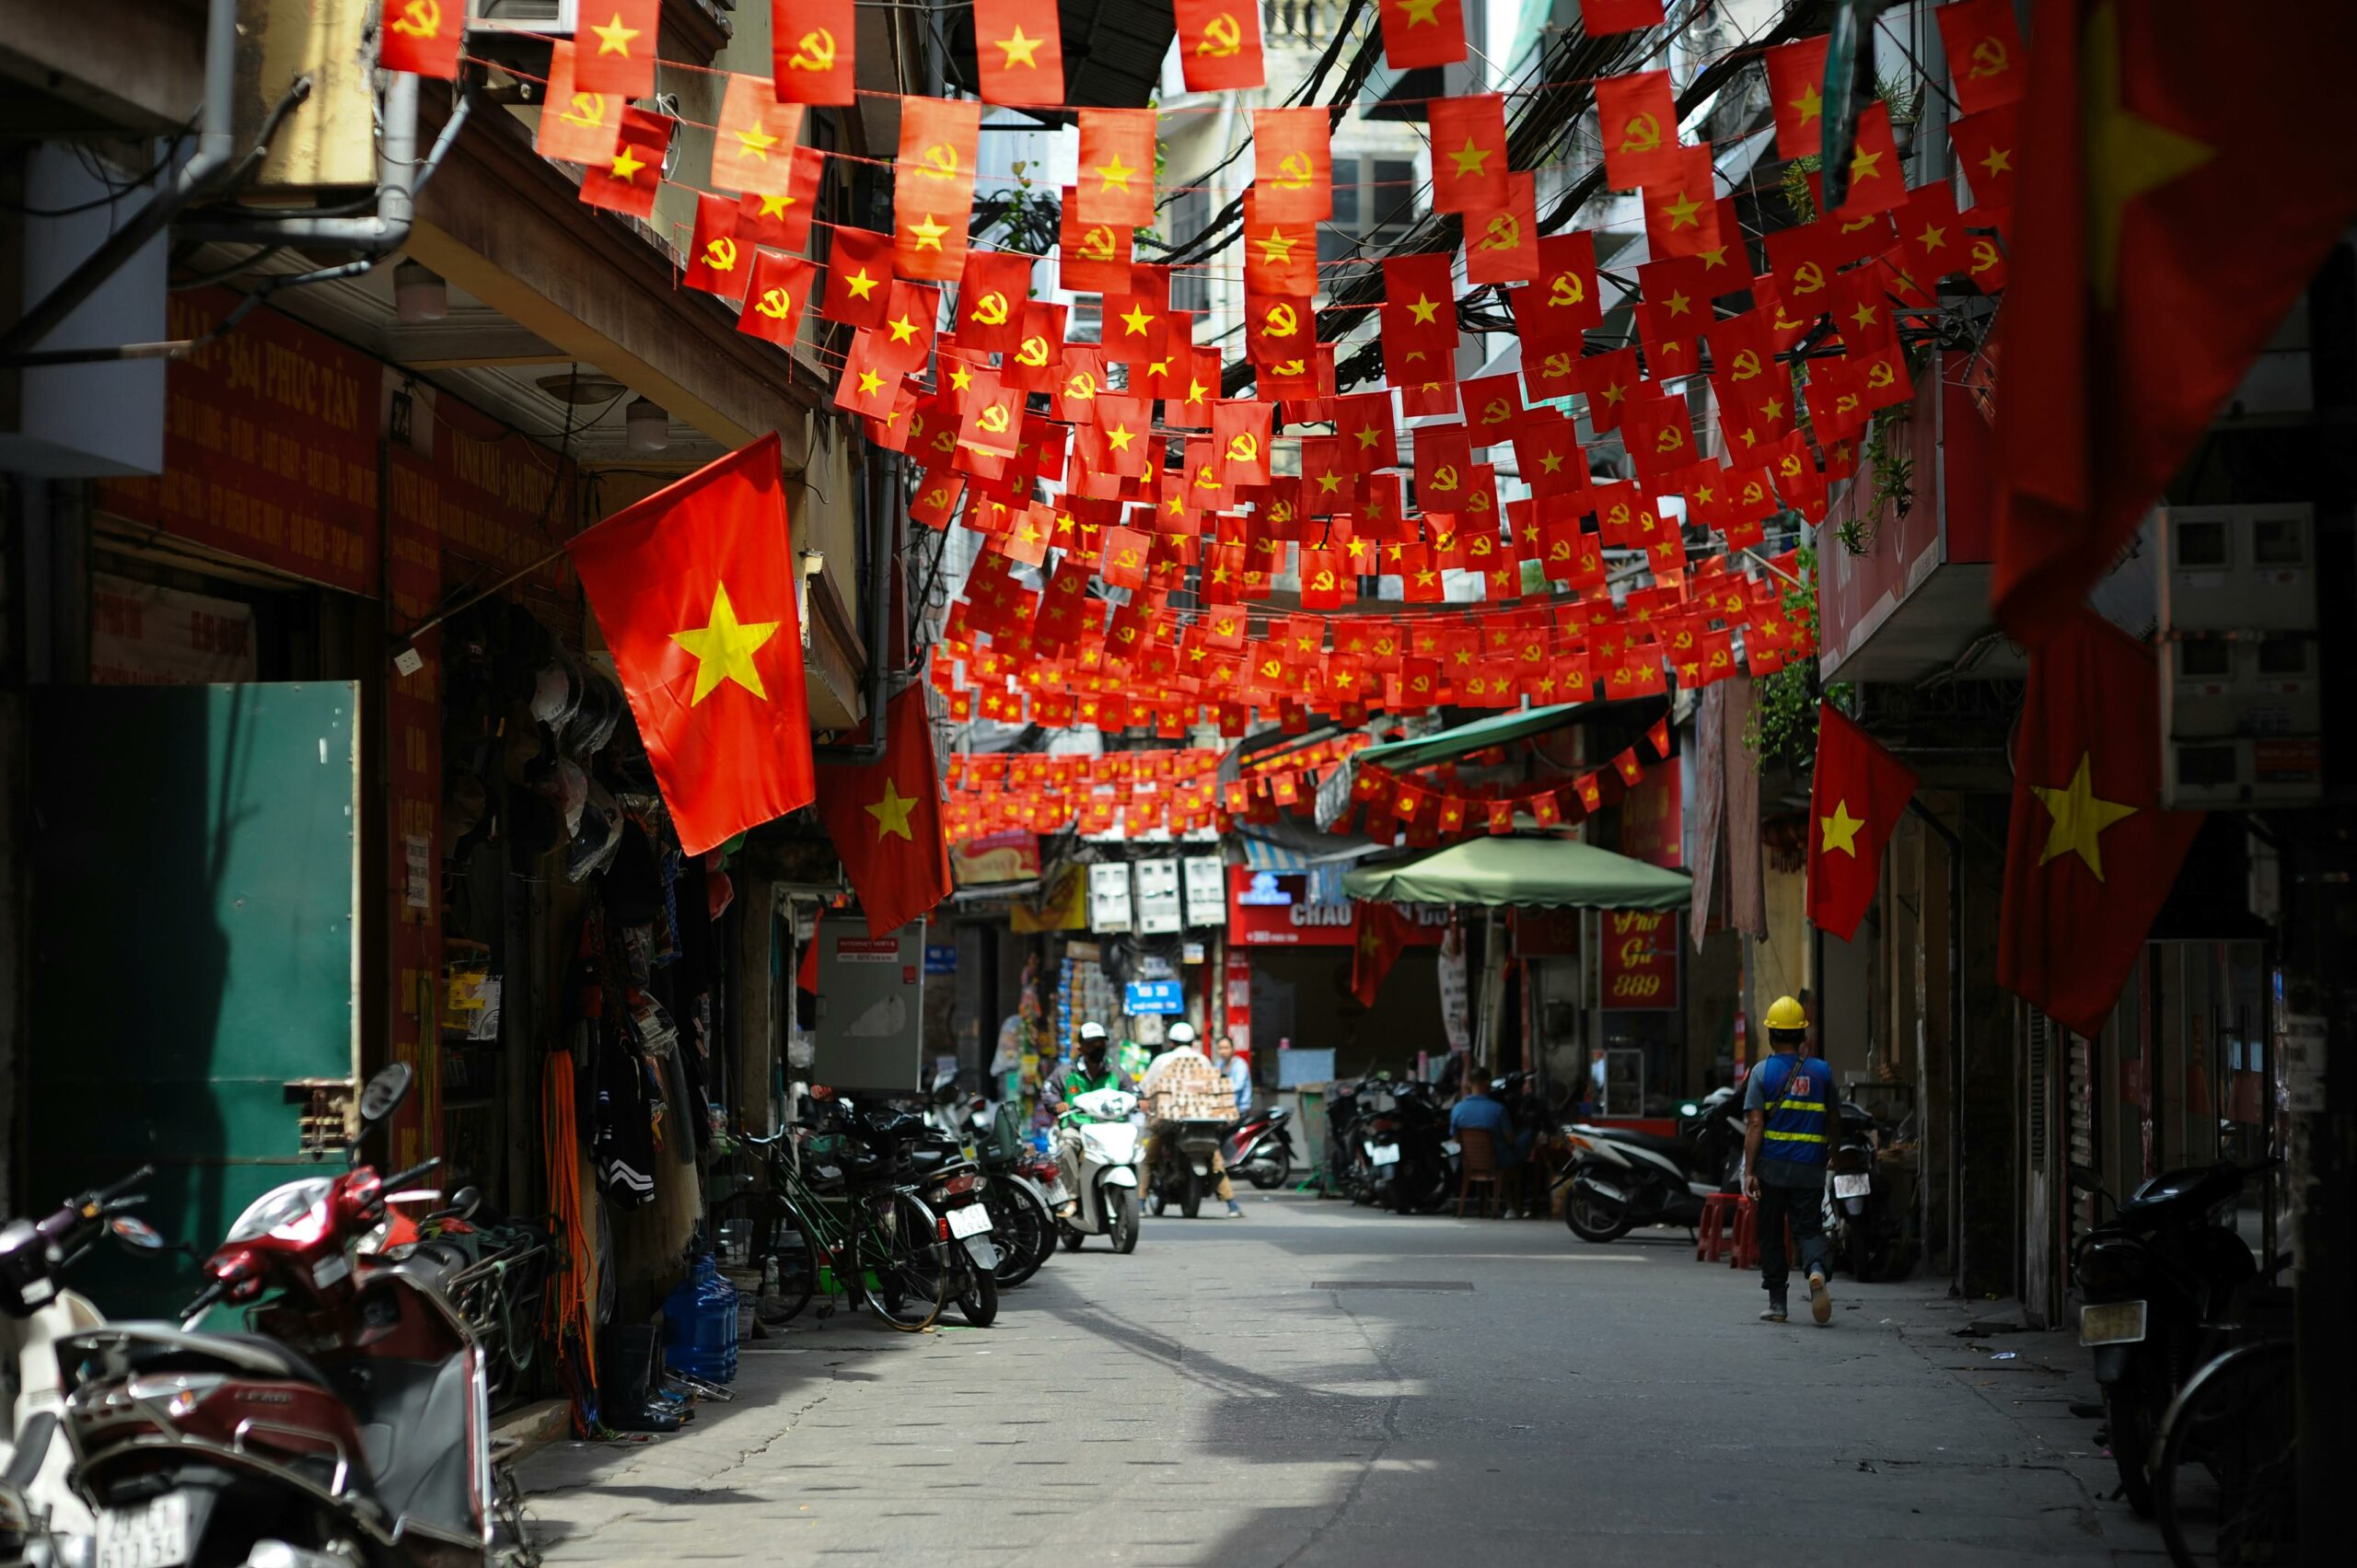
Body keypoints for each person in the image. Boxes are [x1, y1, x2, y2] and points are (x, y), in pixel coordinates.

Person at [1743, 995, 1836, 1325]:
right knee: (1809, 1230)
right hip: (1810, 1167)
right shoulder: (1822, 1072)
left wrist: (1750, 1170)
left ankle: (1778, 1305)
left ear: (1771, 1035)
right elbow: (1834, 1119)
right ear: (1802, 1036)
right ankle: (1815, 1270)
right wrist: (1833, 1155)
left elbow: (1755, 1124)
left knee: (1770, 1233)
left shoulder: (1761, 1072)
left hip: (1771, 1169)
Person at [1138, 1022, 1245, 1217]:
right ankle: (1232, 1204)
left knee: (1149, 1159)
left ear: (1171, 1042)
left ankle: (1140, 1203)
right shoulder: (1203, 1059)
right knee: (1215, 1158)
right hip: (1201, 1119)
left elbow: (1147, 1086)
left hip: (1170, 1119)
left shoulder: (1162, 1060)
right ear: (1191, 1042)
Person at [1045, 1022, 1130, 1216]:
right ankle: (1071, 1197)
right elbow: (1049, 1092)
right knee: (1066, 1145)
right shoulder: (1066, 1073)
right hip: (1077, 1127)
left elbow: (1132, 1090)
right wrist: (1057, 1104)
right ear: (1080, 1047)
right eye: (1092, 1044)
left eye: (1101, 1043)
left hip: (1110, 1128)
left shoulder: (1115, 1072)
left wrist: (1140, 1100)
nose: (1097, 1048)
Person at [1213, 1033, 1252, 1115]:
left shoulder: (1240, 1065)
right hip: (1224, 1109)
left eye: (1226, 1048)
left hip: (1241, 1110)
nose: (1223, 1051)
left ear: (1233, 1049)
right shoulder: (1219, 1064)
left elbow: (1239, 1086)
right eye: (1220, 1048)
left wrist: (1219, 1089)